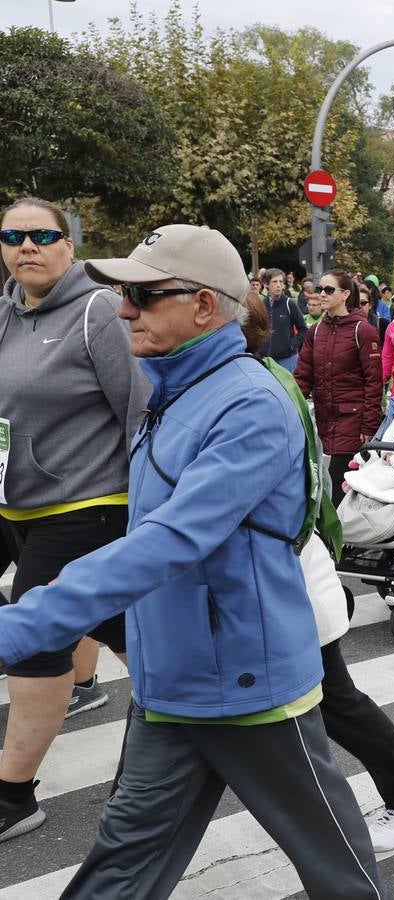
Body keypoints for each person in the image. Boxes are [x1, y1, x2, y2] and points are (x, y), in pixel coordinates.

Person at [0, 224, 386, 895]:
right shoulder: (170, 384)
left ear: (204, 306)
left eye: (144, 296)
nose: (124, 308)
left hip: (245, 685)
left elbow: (174, 538)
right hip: (169, 676)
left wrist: (28, 622)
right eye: (124, 293)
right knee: (122, 862)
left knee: (337, 872)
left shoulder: (249, 403)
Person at [242, 293, 394, 853]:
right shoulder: (239, 385)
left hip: (278, 586)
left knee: (332, 701)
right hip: (255, 593)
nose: (131, 314)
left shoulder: (255, 395)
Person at [0, 198, 150, 842]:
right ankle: (182, 714)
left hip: (85, 505)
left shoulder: (96, 310)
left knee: (36, 640)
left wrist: (144, 514)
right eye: (12, 235)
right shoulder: (8, 310)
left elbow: (139, 409)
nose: (26, 246)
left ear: (69, 243)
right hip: (15, 502)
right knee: (124, 630)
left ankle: (12, 797)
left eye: (41, 235)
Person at [294, 269, 384, 505]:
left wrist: (369, 424)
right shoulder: (315, 331)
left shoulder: (362, 330)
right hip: (324, 417)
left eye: (328, 289)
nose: (322, 294)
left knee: (337, 485)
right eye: (319, 289)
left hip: (353, 418)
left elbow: (374, 382)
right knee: (325, 484)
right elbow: (302, 376)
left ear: (345, 294)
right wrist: (289, 407)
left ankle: (338, 540)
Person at [261, 267, 307, 372]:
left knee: (287, 388)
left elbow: (303, 329)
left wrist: (291, 344)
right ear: (267, 284)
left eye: (281, 281)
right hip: (265, 360)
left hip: (287, 360)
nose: (278, 285)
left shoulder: (289, 304)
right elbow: (256, 329)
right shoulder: (261, 304)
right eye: (274, 281)